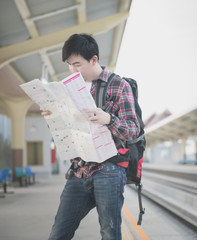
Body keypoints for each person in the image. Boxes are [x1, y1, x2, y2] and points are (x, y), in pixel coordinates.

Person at [43, 33, 140, 240]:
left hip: (109, 171)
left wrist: (108, 119)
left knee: (110, 233)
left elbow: (133, 129)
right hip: (79, 171)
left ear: (94, 59)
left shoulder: (119, 85)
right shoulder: (67, 89)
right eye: (69, 65)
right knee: (58, 233)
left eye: (77, 64)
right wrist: (54, 117)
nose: (72, 70)